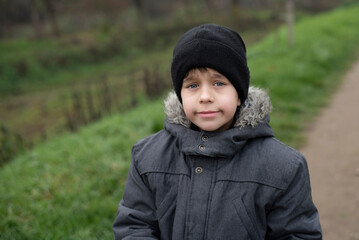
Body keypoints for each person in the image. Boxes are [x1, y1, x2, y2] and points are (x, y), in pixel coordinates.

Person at [113, 23, 322, 239]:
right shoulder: (147, 158)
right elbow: (134, 227)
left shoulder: (283, 167)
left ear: (239, 93)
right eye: (192, 85)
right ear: (180, 94)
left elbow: (298, 234)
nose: (205, 96)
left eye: (219, 83)